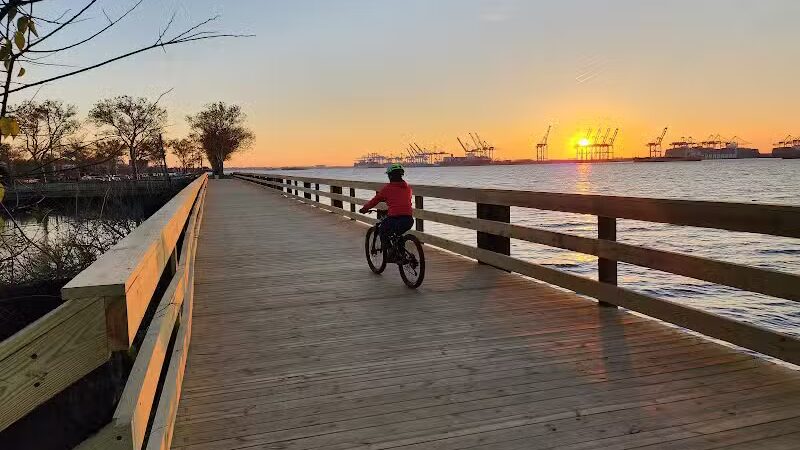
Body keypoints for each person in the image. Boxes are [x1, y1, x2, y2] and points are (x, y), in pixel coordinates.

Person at [359, 163, 414, 261]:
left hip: (395, 218)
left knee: (382, 230)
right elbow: (401, 202)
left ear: (390, 176)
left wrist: (365, 208)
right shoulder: (408, 188)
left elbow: (375, 200)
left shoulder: (387, 189)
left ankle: (390, 253)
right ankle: (401, 254)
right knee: (398, 234)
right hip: (408, 219)